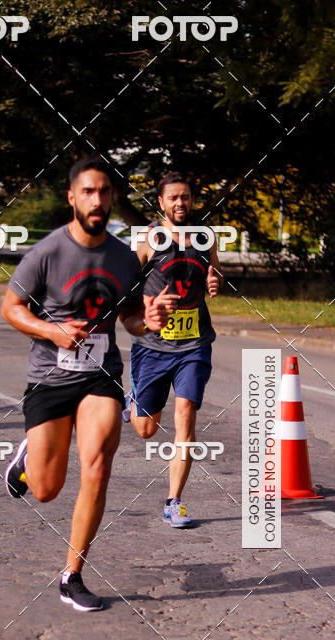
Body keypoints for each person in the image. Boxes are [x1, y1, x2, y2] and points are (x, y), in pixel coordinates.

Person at [1, 157, 175, 612]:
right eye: (88, 192)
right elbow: (11, 308)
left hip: (101, 375)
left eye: (104, 192)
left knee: (97, 467)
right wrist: (52, 330)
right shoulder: (47, 253)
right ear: (72, 198)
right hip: (50, 377)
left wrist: (148, 320)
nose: (97, 200)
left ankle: (72, 575)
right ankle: (28, 459)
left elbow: (130, 317)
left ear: (111, 197)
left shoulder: (123, 257)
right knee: (46, 490)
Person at [128, 172, 222, 528]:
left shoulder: (205, 236)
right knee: (146, 429)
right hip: (152, 346)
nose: (180, 203)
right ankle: (131, 402)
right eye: (173, 198)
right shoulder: (147, 239)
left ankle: (174, 501)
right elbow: (125, 291)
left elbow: (215, 271)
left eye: (185, 197)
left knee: (186, 416)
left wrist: (215, 279)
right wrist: (149, 307)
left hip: (194, 344)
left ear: (192, 200)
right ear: (161, 202)